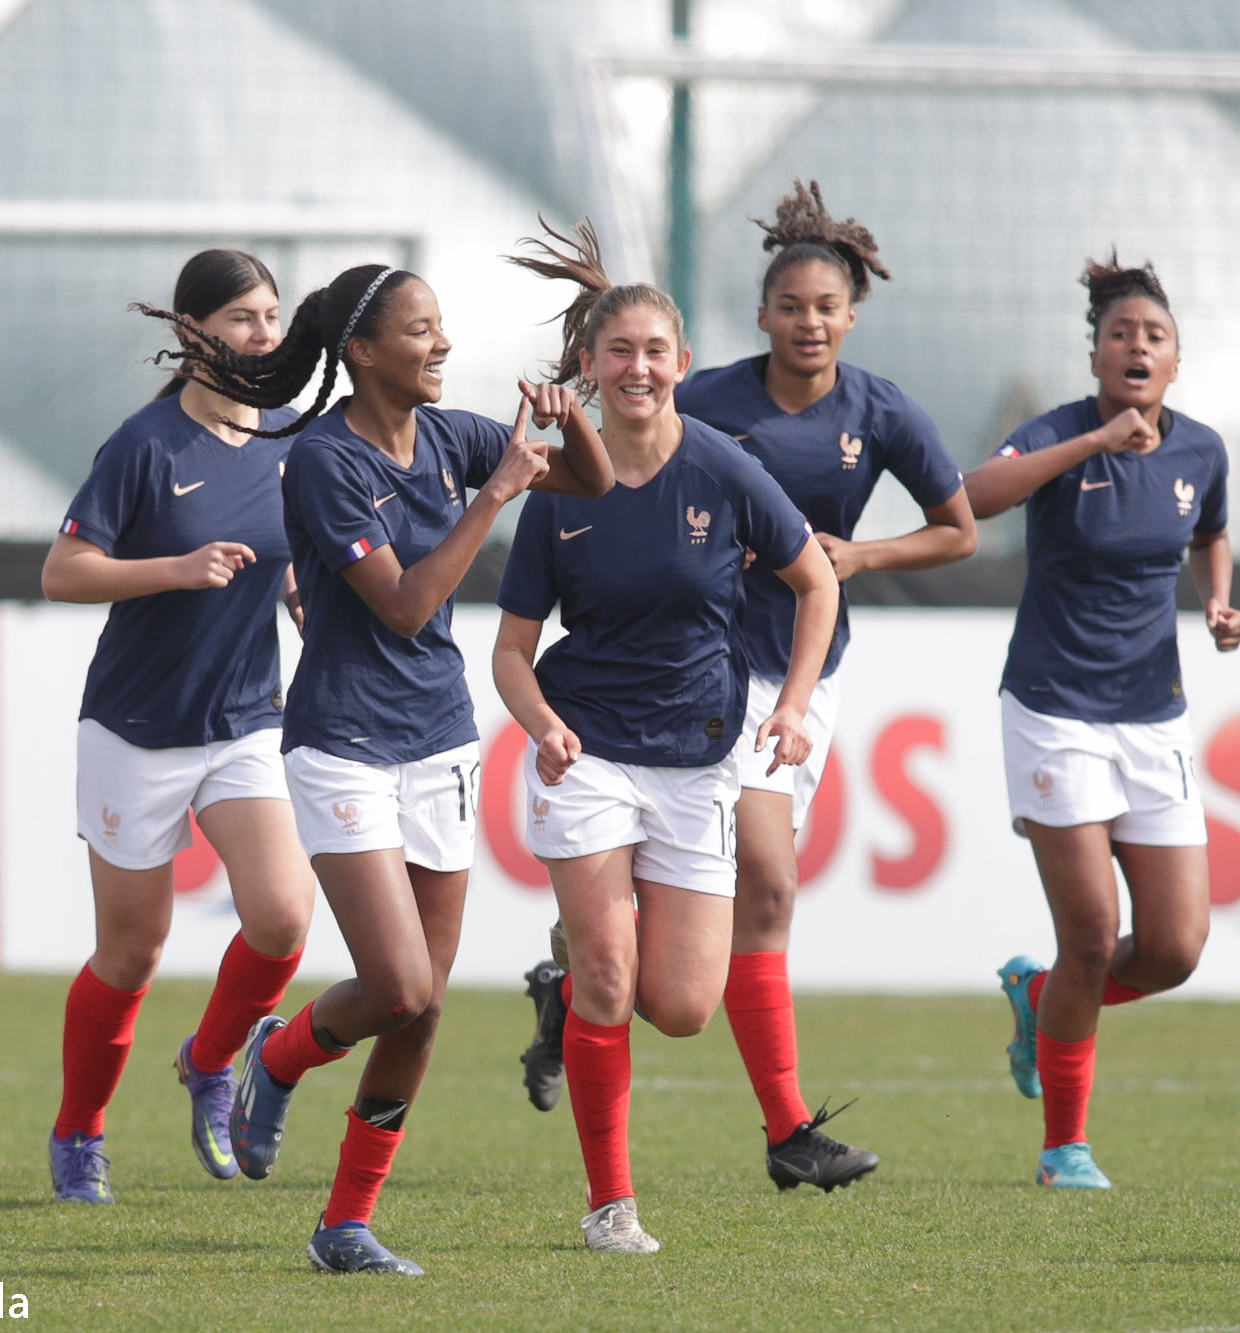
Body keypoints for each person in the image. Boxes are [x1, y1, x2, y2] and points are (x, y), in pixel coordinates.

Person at [515, 182, 976, 1194]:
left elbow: (958, 528)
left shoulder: (879, 409)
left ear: (849, 316)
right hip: (706, 672)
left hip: (801, 674)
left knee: (741, 916)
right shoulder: (705, 401)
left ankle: (585, 989)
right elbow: (610, 456)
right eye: (790, 306)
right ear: (760, 316)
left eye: (825, 308)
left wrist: (859, 558)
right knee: (761, 877)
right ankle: (780, 1124)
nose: (808, 322)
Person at [163, 261, 612, 1275]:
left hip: (439, 739)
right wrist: (496, 492)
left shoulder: (449, 434)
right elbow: (406, 605)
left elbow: (592, 480)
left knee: (427, 1001)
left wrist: (563, 414)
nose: (442, 344)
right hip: (343, 745)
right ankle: (277, 1054)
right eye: (420, 330)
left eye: (442, 326)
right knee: (399, 982)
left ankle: (343, 1224)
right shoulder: (323, 461)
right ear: (362, 351)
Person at [495, 220, 840, 1252]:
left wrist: (788, 707)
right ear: (590, 370)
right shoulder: (555, 496)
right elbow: (510, 653)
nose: (637, 367)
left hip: (699, 755)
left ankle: (561, 992)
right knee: (611, 975)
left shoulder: (726, 470)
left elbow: (814, 582)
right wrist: (544, 725)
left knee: (682, 1006)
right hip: (588, 752)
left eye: (654, 351)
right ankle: (610, 1206)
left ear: (681, 365)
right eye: (618, 352)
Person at [964, 253, 1240, 1191]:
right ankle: (1064, 1149)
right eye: (1120, 332)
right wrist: (1093, 445)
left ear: (1176, 362)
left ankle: (1042, 1000)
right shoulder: (1058, 433)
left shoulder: (1200, 449)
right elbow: (971, 497)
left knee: (1173, 947)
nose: (1136, 345)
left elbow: (1209, 528)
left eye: (1154, 336)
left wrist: (1217, 601)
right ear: (1095, 353)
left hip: (1151, 716)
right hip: (1054, 708)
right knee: (1092, 931)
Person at [40, 248, 318, 1204]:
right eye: (243, 317)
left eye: (272, 316)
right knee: (132, 953)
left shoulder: (292, 435)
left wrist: (297, 595)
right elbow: (63, 572)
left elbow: (288, 556)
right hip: (134, 726)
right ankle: (80, 1132)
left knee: (283, 916)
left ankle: (209, 1062)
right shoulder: (144, 444)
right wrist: (175, 567)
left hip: (244, 721)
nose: (264, 335)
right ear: (192, 332)